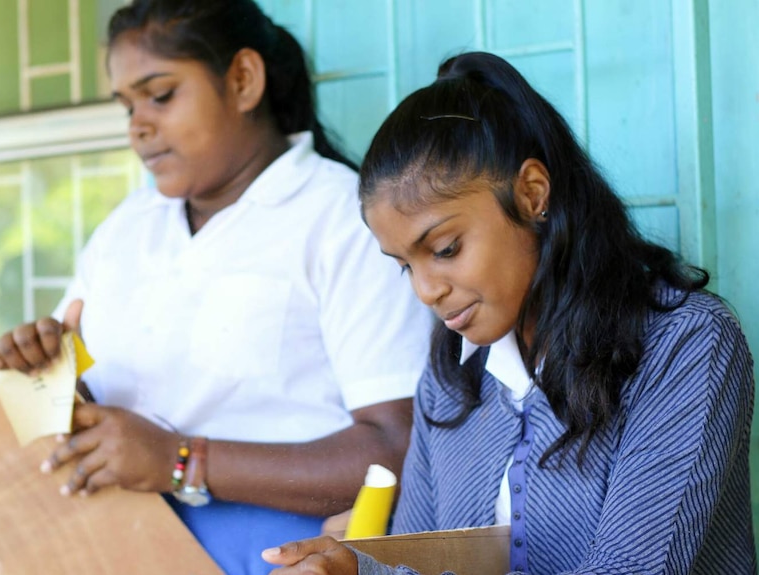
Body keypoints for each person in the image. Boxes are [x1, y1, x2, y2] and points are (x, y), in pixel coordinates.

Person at [0, 1, 433, 574]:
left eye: (160, 94)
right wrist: (44, 375)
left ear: (243, 80)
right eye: (127, 106)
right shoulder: (127, 228)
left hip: (277, 558)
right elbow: (86, 409)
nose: (138, 125)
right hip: (106, 546)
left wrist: (182, 460)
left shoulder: (341, 218)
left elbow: (396, 451)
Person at [261, 51, 756, 574]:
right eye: (404, 265)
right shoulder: (450, 378)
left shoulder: (686, 345)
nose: (426, 290)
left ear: (531, 195)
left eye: (446, 248)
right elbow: (414, 556)